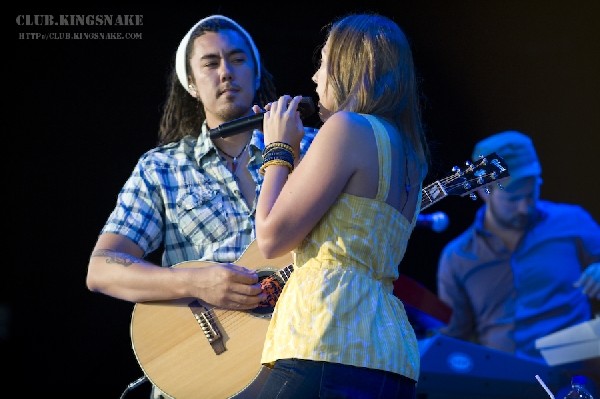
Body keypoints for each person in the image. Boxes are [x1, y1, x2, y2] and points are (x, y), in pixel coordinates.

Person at [85, 14, 316, 398]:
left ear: (257, 74)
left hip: (298, 363)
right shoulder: (161, 168)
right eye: (211, 63)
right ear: (191, 84)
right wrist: (197, 282)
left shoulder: (311, 147)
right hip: (202, 376)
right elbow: (101, 269)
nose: (226, 72)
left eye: (238, 59)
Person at [254, 13, 430, 398]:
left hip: (325, 334)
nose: (315, 77)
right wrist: (300, 156)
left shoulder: (347, 128)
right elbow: (345, 226)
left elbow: (270, 236)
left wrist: (277, 149)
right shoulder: (411, 156)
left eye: (323, 62)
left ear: (352, 66)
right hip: (389, 355)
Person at [436, 130, 600, 393]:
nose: (525, 207)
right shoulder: (457, 258)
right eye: (513, 199)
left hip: (574, 381)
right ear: (483, 191)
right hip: (499, 386)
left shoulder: (574, 223)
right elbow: (454, 339)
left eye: (532, 192)